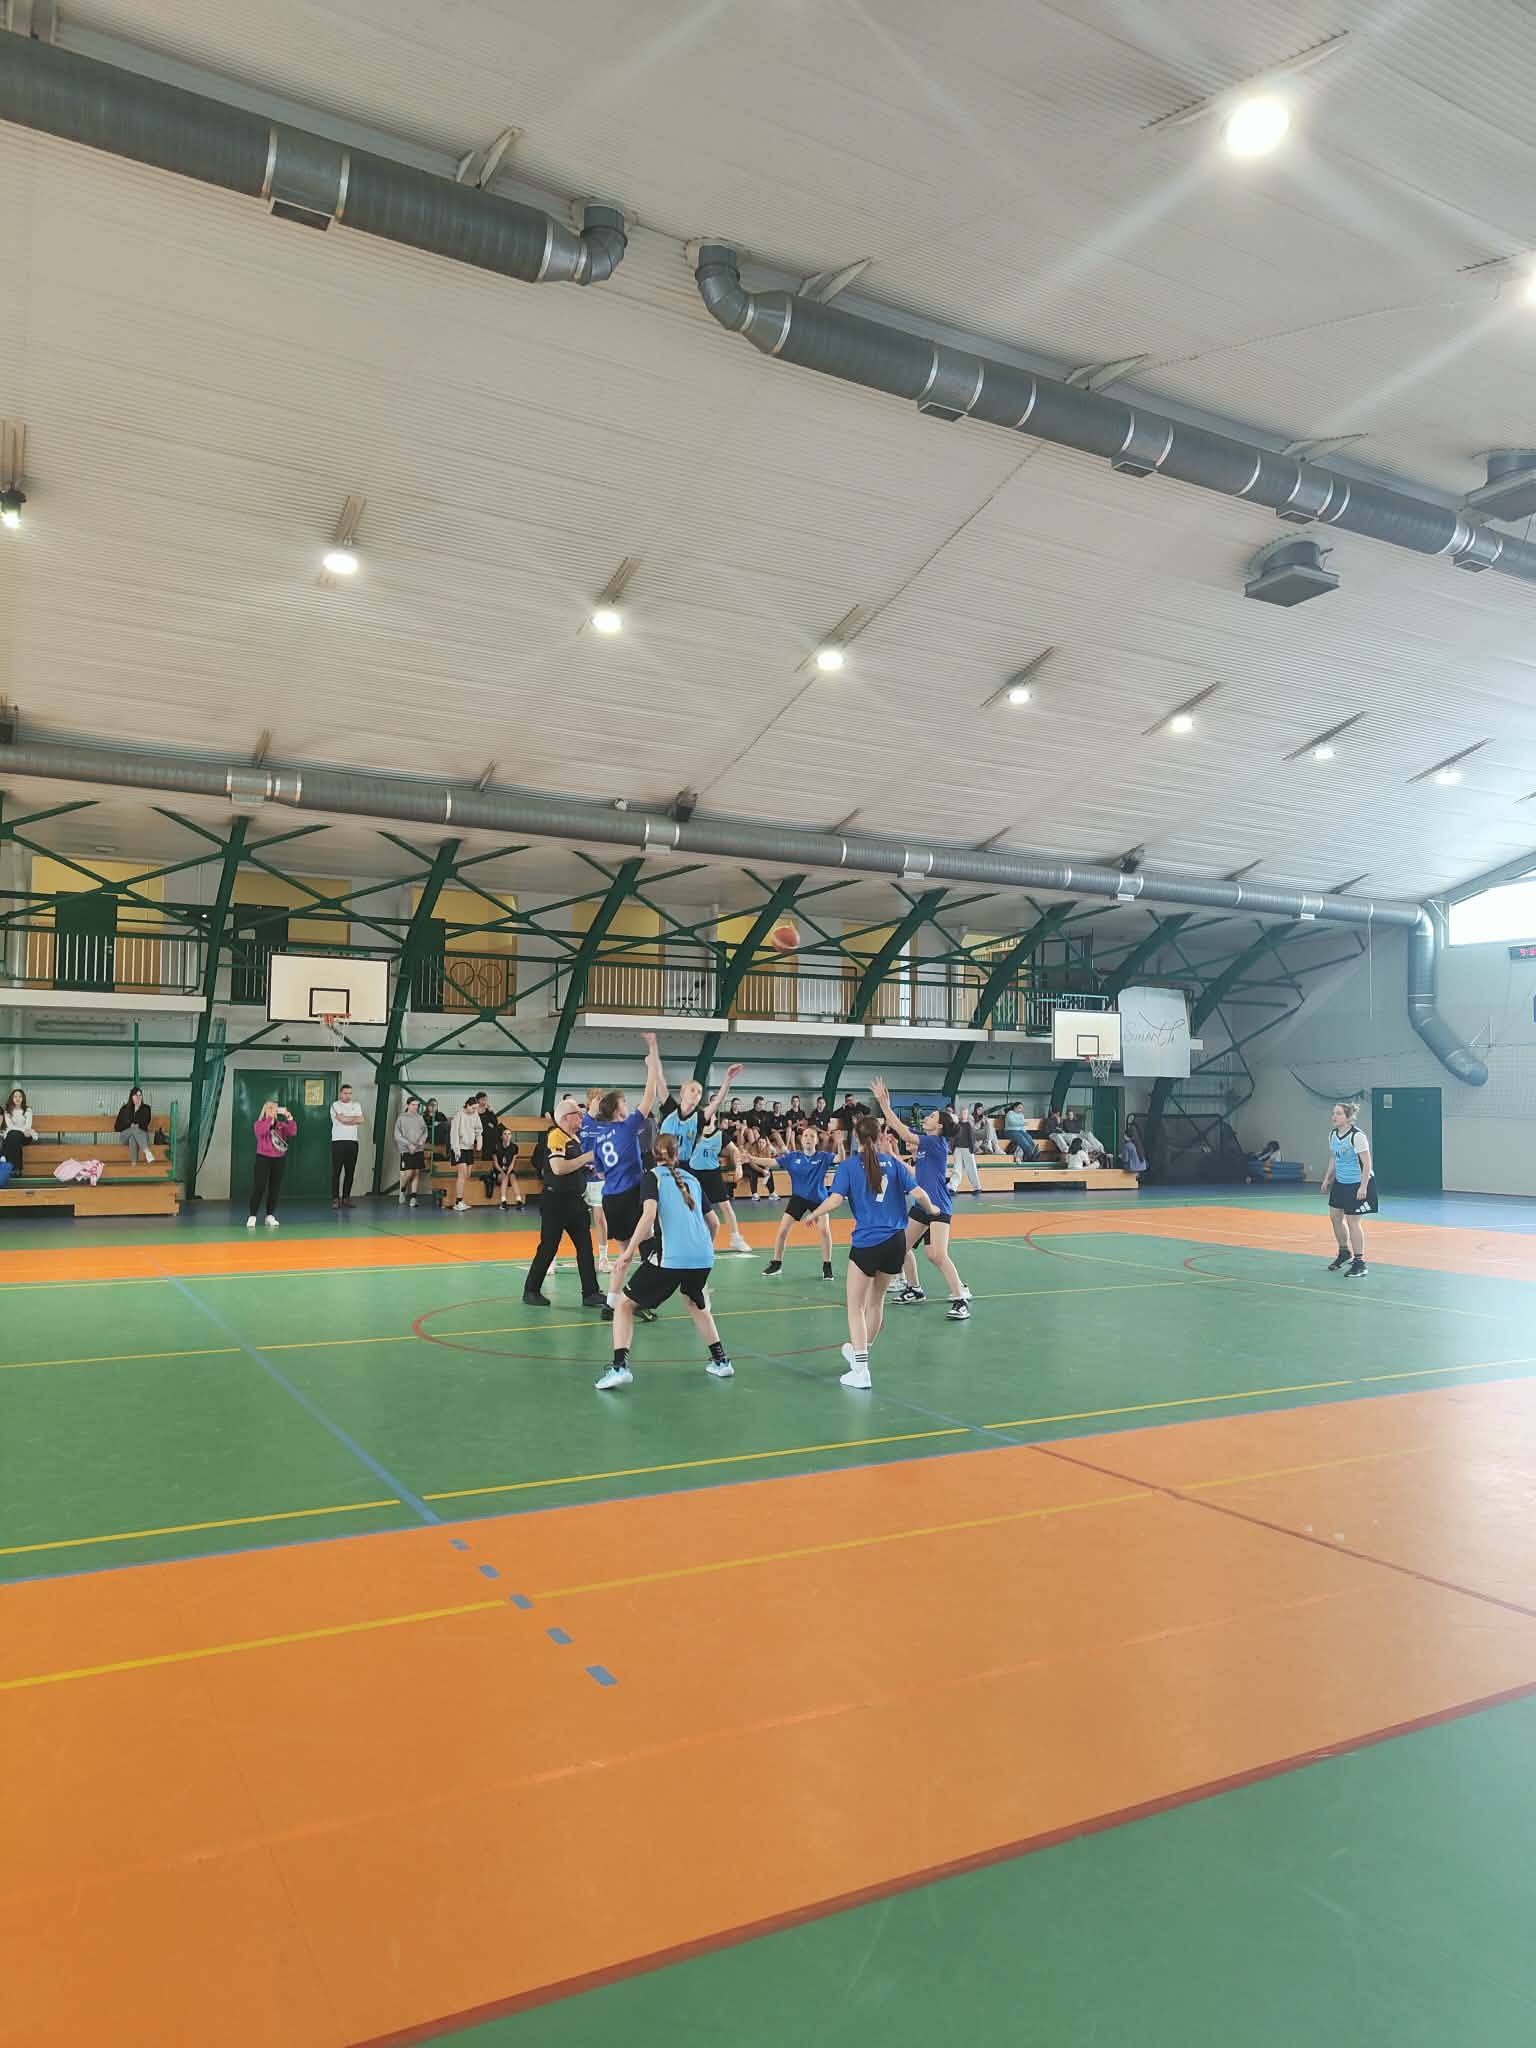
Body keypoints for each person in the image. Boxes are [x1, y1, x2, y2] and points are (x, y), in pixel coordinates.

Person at [806, 1114, 939, 1389]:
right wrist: (933, 1209)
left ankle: (861, 1371)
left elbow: (834, 1200)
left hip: (868, 1242)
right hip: (896, 1243)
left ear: (856, 1137)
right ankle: (860, 1353)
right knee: (876, 1303)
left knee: (855, 1307)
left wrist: (814, 1214)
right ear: (880, 1137)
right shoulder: (894, 1164)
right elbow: (920, 1194)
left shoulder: (849, 1166)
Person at [596, 1131, 735, 1390]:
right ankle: (721, 1361)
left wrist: (628, 1252)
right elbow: (714, 1223)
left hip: (671, 1256)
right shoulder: (692, 1179)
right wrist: (700, 1250)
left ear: (653, 1153)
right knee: (695, 1302)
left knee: (624, 1305)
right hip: (704, 1255)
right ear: (677, 1154)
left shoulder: (652, 1177)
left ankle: (619, 1367)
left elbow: (649, 1215)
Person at [872, 1079, 970, 1320]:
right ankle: (914, 1289)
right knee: (900, 1248)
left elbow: (903, 1131)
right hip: (921, 1205)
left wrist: (884, 1105)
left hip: (938, 1207)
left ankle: (960, 1299)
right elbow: (915, 1172)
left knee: (937, 1255)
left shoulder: (936, 1142)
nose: (927, 1117)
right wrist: (892, 1154)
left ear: (939, 1126)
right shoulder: (927, 1146)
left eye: (932, 1116)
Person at [586, 1031, 665, 1305]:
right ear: (617, 1111)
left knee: (624, 1255)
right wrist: (652, 1064)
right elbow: (650, 1096)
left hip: (611, 1199)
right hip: (632, 1195)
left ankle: (611, 1303)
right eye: (623, 1103)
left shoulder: (599, 1138)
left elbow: (599, 1171)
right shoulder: (627, 1126)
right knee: (650, 1251)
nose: (627, 1105)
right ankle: (638, 1300)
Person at [522, 1099, 605, 1307]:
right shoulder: (556, 1136)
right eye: (578, 1114)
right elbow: (558, 1167)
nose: (581, 1117)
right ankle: (531, 1290)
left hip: (575, 1201)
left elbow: (572, 1166)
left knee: (585, 1247)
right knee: (549, 1247)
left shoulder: (574, 1138)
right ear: (566, 1117)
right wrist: (586, 1158)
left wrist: (587, 1168)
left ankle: (591, 1292)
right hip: (556, 1202)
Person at [762, 1125, 836, 1279]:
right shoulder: (793, 1157)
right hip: (798, 1198)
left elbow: (840, 1158)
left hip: (819, 1199)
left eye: (812, 1136)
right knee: (782, 1230)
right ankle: (776, 1264)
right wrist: (751, 1159)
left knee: (824, 1231)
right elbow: (772, 1162)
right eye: (806, 1136)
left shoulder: (823, 1157)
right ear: (801, 1140)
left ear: (816, 1141)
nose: (808, 1138)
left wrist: (840, 1144)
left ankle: (827, 1266)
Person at [1321, 1100, 1375, 1277]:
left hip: (1357, 1183)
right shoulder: (1332, 1135)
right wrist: (1327, 1179)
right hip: (1340, 1182)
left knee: (1353, 1221)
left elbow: (1367, 1163)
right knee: (1335, 1217)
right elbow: (1334, 1157)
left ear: (1348, 1117)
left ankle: (1360, 1263)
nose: (1334, 1117)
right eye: (1333, 1113)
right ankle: (1344, 1251)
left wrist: (1363, 1186)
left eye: (1338, 1114)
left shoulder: (1357, 1136)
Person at [690, 1106, 753, 1254]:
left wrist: (738, 1167)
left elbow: (734, 1150)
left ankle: (736, 1239)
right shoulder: (693, 1134)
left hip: (713, 1174)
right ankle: (695, 1241)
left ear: (714, 1118)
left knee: (726, 1207)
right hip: (694, 1175)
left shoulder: (720, 1135)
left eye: (710, 1114)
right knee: (692, 1209)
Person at [247, 1100, 296, 1227]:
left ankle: (270, 1215)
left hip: (279, 1159)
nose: (272, 1110)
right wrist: (269, 1118)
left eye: (274, 1108)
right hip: (263, 1158)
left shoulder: (280, 1125)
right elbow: (261, 1132)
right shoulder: (258, 1124)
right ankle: (252, 1216)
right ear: (264, 1110)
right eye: (269, 1108)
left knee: (275, 1188)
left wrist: (289, 1118)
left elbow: (292, 1132)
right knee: (259, 1187)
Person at [329, 1083, 365, 1208]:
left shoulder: (357, 1105)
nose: (348, 1095)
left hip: (353, 1142)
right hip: (338, 1141)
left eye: (350, 1093)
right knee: (336, 1171)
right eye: (345, 1093)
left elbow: (361, 1120)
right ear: (341, 1093)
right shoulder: (335, 1105)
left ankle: (346, 1198)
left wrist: (347, 1119)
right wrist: (353, 1119)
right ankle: (335, 1198)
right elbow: (342, 1119)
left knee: (350, 1172)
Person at [449, 1095, 482, 1212]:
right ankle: (458, 1202)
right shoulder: (458, 1115)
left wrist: (479, 1141)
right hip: (459, 1148)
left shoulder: (475, 1114)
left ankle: (460, 1201)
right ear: (467, 1105)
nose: (474, 1110)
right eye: (473, 1108)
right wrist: (456, 1150)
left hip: (469, 1148)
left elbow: (478, 1129)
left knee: (467, 1175)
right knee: (462, 1175)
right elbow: (454, 1134)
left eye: (476, 1108)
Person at [395, 1095, 428, 1206]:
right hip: (406, 1150)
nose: (415, 1107)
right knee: (408, 1172)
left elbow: (425, 1131)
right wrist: (408, 1144)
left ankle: (413, 1197)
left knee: (416, 1172)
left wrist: (421, 1141)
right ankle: (402, 1190)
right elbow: (397, 1135)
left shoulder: (420, 1118)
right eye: (413, 1105)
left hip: (418, 1149)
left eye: (417, 1105)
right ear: (408, 1105)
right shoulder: (401, 1118)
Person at [114, 1086, 155, 1165]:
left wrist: (138, 1109)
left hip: (142, 1136)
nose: (138, 1097)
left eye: (140, 1095)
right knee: (134, 1129)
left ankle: (134, 1164)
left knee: (132, 1137)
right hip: (125, 1136)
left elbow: (145, 1123)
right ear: (131, 1097)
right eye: (136, 1095)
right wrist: (130, 1125)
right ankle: (147, 1151)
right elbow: (117, 1127)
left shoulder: (146, 1108)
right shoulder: (125, 1109)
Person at [489, 1121, 525, 1210]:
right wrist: (502, 1172)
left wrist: (508, 1172)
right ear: (501, 1136)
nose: (507, 1136)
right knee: (505, 1177)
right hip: (498, 1171)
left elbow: (513, 1162)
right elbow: (495, 1163)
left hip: (509, 1170)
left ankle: (519, 1201)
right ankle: (503, 1202)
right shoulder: (496, 1146)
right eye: (505, 1134)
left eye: (509, 1134)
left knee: (512, 1177)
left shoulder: (514, 1147)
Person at [949, 1106, 983, 1196]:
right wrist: (952, 1148)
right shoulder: (956, 1125)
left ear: (967, 1115)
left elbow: (972, 1138)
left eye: (965, 1113)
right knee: (957, 1168)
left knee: (971, 1168)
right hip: (957, 1149)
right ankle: (952, 1187)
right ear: (959, 1114)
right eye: (962, 1113)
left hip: (968, 1149)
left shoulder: (969, 1125)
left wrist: (972, 1149)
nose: (963, 1115)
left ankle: (977, 1187)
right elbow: (953, 1137)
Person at [2, 1086, 36, 1173]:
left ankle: (11, 1166)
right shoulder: (7, 1111)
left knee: (13, 1135)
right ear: (12, 1098)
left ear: (23, 1098)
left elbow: (27, 1126)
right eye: (15, 1096)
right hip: (14, 1135)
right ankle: (17, 1168)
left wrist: (19, 1130)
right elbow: (10, 1126)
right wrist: (20, 1130)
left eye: (20, 1096)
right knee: (14, 1136)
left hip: (26, 1136)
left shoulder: (28, 1110)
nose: (17, 1098)